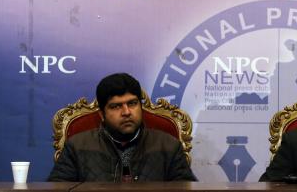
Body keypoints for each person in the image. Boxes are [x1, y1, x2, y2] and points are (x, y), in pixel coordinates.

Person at [48, 73, 196, 182]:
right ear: (102, 114)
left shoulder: (169, 146)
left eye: (132, 103)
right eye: (116, 106)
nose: (126, 112)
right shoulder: (77, 146)